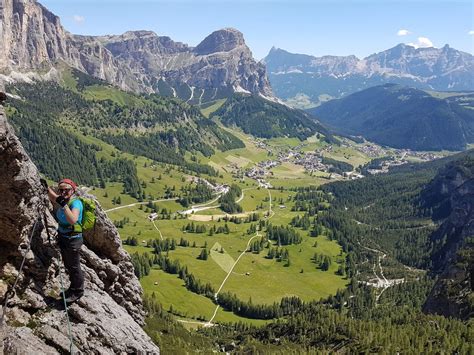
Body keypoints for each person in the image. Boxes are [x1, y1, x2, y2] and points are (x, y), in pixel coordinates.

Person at [45, 178, 84, 303]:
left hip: (73, 240)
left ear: (72, 190)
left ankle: (77, 292)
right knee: (68, 264)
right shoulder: (63, 199)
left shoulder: (75, 203)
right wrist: (45, 188)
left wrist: (63, 205)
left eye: (66, 190)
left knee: (74, 266)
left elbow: (73, 219)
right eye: (60, 190)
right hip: (64, 237)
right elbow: (53, 196)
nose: (62, 192)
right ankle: (72, 289)